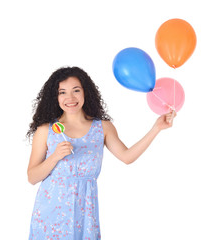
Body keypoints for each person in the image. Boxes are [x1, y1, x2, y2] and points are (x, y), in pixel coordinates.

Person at [26, 66, 176, 240]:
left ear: (85, 92)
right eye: (62, 92)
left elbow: (127, 157)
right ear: (55, 97)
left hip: (85, 213)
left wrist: (156, 128)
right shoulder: (47, 130)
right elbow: (32, 177)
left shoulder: (102, 127)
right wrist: (54, 157)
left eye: (76, 90)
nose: (70, 98)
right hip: (50, 213)